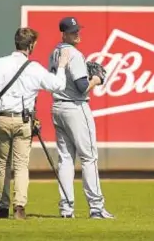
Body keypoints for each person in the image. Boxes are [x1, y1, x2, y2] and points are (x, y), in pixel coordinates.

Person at [0, 27, 70, 220]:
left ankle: (2, 208)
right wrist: (61, 66)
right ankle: (19, 207)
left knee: (2, 165)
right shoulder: (34, 68)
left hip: (2, 118)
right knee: (21, 165)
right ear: (30, 45)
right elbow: (58, 85)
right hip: (23, 120)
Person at [49, 17, 115, 219]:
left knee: (66, 160)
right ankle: (96, 208)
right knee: (89, 157)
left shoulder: (55, 52)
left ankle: (66, 209)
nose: (77, 34)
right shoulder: (75, 55)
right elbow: (81, 87)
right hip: (76, 108)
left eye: (77, 30)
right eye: (72, 31)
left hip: (58, 107)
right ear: (64, 33)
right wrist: (95, 79)